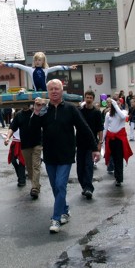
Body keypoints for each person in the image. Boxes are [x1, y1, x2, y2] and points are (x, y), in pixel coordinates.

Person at [30, 79, 99, 233]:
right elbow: (32, 129)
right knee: (56, 187)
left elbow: (84, 128)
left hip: (66, 155)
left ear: (62, 91)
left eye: (57, 89)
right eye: (51, 89)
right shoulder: (43, 110)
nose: (54, 91)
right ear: (48, 92)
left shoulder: (71, 109)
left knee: (61, 185)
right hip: (49, 155)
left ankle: (55, 219)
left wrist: (95, 148)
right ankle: (65, 210)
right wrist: (35, 112)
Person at [6, 103, 43, 200]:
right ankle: (36, 185)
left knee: (36, 165)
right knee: (29, 167)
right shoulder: (19, 115)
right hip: (25, 145)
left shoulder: (35, 112)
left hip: (37, 144)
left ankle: (34, 188)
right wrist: (7, 138)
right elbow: (12, 127)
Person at [0, 52, 77, 92]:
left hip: (45, 92)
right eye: (36, 60)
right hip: (36, 92)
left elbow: (57, 67)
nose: (37, 62)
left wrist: (69, 67)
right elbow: (18, 65)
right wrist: (5, 64)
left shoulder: (46, 70)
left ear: (43, 61)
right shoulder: (31, 70)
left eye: (39, 60)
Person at [76, 91, 103, 200]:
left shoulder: (96, 113)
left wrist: (100, 143)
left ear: (93, 99)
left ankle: (89, 188)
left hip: (91, 144)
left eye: (91, 97)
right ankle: (84, 187)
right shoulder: (79, 111)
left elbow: (100, 129)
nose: (88, 99)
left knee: (88, 166)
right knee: (80, 168)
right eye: (87, 97)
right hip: (80, 142)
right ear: (84, 98)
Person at [103, 98, 133, 187]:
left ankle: (119, 178)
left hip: (119, 139)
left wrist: (116, 106)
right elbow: (105, 127)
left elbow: (123, 117)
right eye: (116, 104)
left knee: (119, 159)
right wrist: (102, 139)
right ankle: (116, 175)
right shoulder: (108, 114)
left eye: (119, 104)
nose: (118, 105)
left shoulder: (123, 112)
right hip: (111, 138)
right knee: (113, 158)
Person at [3, 113, 26, 187]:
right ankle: (20, 175)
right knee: (13, 161)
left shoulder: (26, 117)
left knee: (22, 161)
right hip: (15, 143)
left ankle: (22, 179)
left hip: (23, 143)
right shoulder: (13, 120)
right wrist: (7, 138)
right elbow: (11, 129)